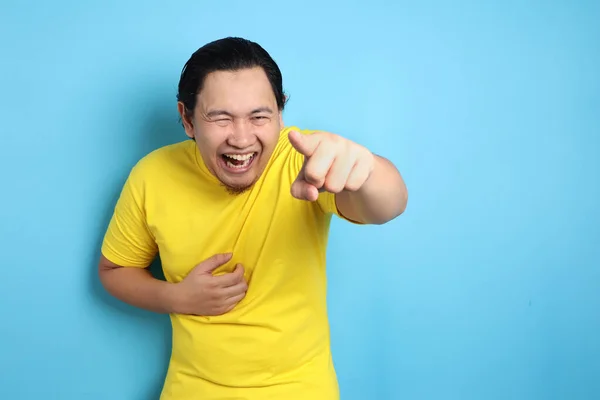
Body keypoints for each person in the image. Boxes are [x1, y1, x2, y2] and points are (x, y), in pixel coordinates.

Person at [98, 36, 408, 400]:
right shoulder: (152, 176)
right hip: (192, 389)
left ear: (280, 113)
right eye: (221, 118)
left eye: (259, 116)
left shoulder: (305, 159)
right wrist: (179, 298)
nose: (242, 139)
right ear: (187, 119)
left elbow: (389, 204)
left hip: (300, 389)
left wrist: (367, 169)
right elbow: (113, 271)